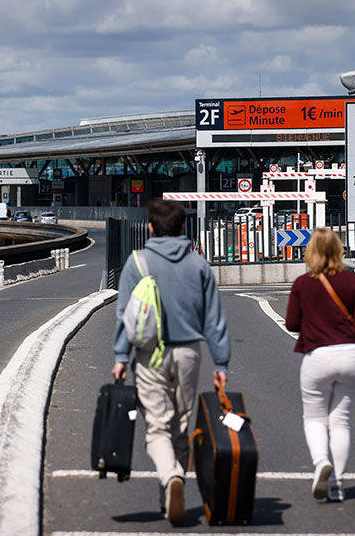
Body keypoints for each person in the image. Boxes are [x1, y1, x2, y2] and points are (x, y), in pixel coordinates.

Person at [112, 199, 230, 527]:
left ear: (150, 227)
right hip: (190, 353)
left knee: (156, 427)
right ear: (182, 228)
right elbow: (215, 318)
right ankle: (171, 496)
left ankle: (172, 476)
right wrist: (221, 363)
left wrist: (121, 356)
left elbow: (126, 315)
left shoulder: (137, 262)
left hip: (151, 355)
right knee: (181, 425)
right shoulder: (199, 265)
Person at [285, 228, 355, 503]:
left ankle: (321, 463)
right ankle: (339, 483)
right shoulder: (354, 283)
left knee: (315, 418)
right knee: (340, 421)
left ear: (311, 252)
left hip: (317, 357)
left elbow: (292, 323)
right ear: (339, 250)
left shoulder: (303, 284)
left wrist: (314, 322)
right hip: (352, 356)